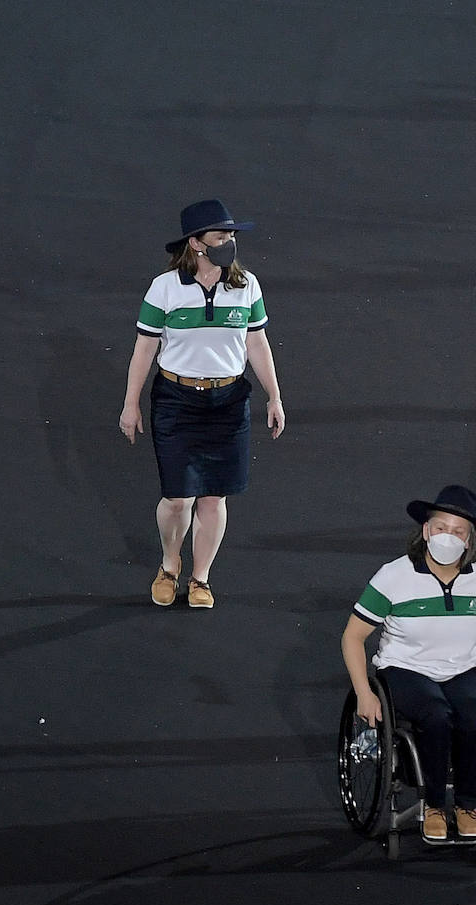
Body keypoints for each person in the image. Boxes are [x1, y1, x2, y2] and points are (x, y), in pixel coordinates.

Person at [119, 199, 285, 609]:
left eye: (231, 235)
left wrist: (275, 396)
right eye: (220, 236)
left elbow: (257, 342)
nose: (229, 242)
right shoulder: (165, 287)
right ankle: (169, 565)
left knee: (214, 496)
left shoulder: (247, 285)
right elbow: (144, 349)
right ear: (195, 243)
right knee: (177, 497)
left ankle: (200, 579)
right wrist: (131, 404)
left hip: (228, 401)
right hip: (176, 402)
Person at [341, 486, 476, 841]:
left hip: (465, 669)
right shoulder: (394, 576)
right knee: (435, 715)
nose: (447, 537)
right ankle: (433, 805)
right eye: (440, 528)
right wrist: (363, 692)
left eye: (458, 531)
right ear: (425, 531)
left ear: (469, 541)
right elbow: (353, 636)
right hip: (405, 669)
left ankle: (467, 804)